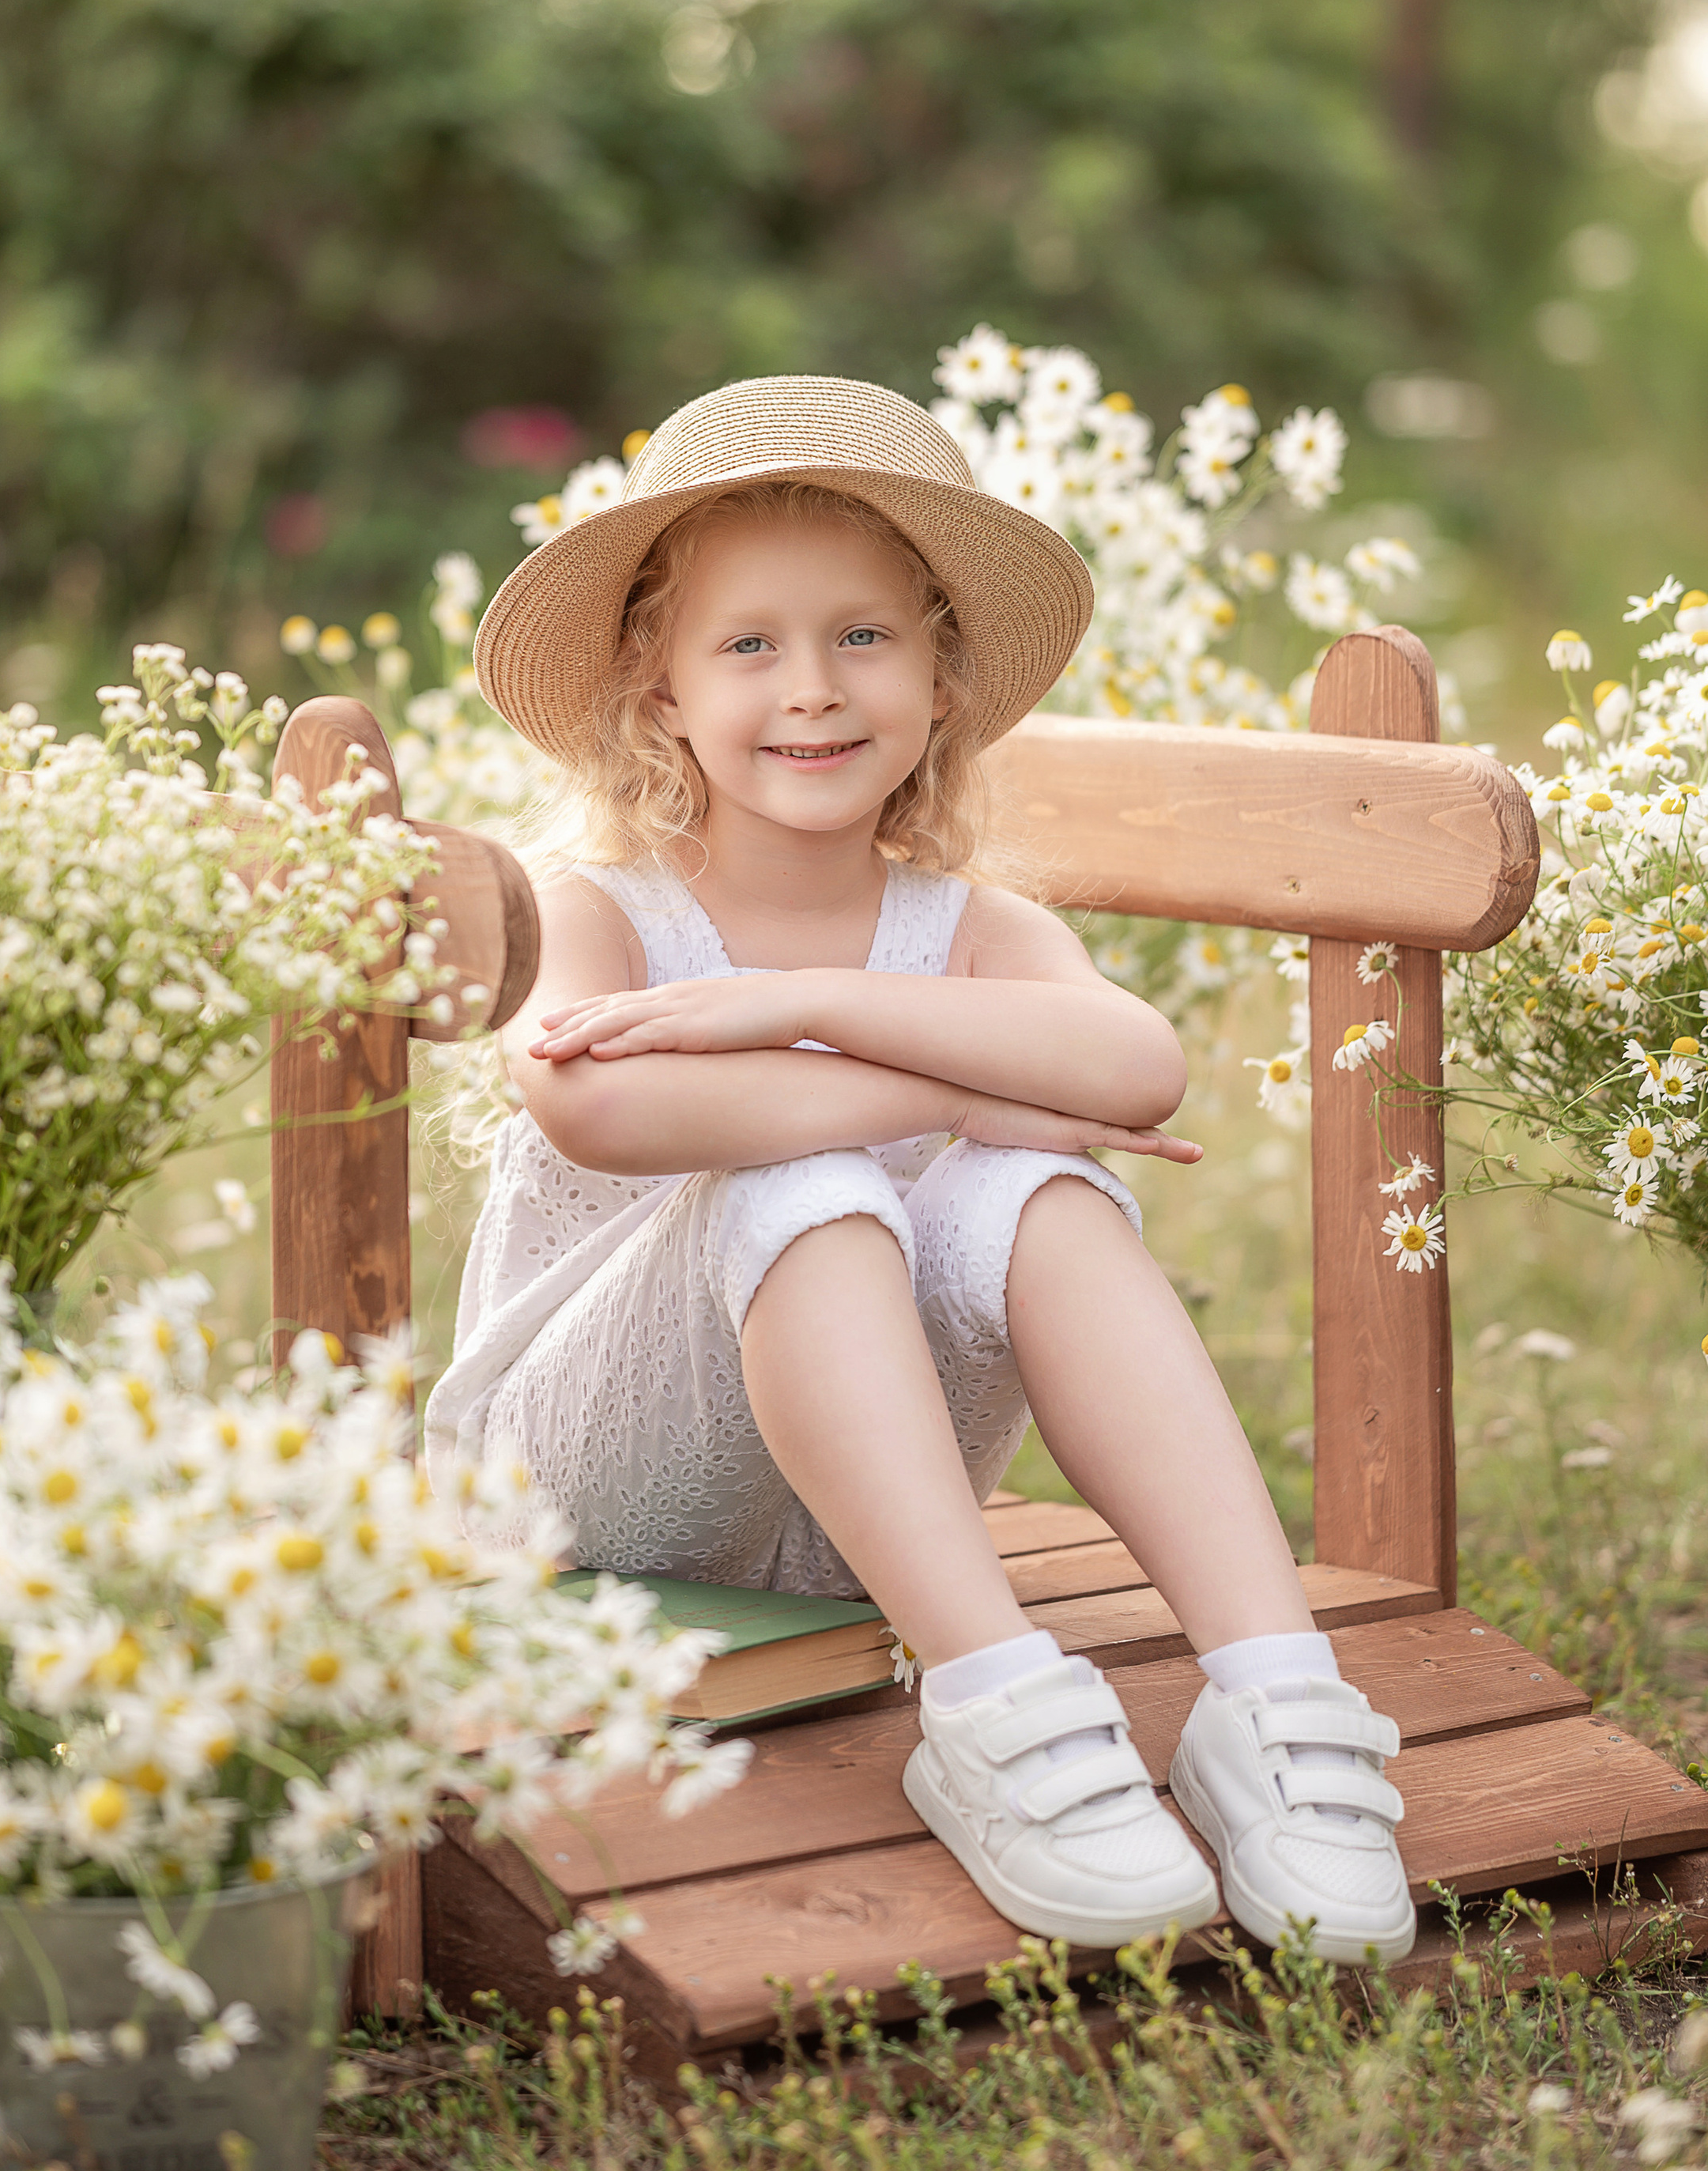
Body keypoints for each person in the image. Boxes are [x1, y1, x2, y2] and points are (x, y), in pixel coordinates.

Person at [424, 375, 1412, 1964]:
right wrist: (956, 1076)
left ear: (940, 674)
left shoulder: (966, 922)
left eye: (862, 637)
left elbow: (1136, 1072)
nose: (809, 689)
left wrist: (804, 1004)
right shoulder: (595, 904)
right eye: (747, 643)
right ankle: (992, 1705)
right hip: (589, 1499)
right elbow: (593, 1108)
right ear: (658, 688)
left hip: (863, 1498)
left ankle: (1272, 1701)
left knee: (1043, 1193)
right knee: (792, 1178)